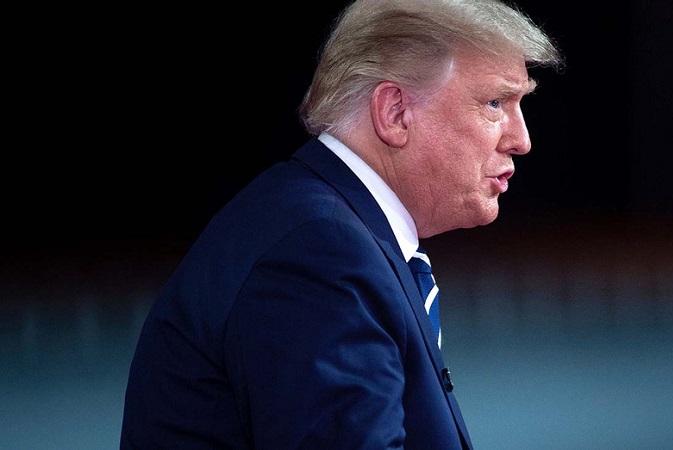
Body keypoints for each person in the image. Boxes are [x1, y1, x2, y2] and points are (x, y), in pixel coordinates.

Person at [120, 0, 562, 448]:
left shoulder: (318, 223)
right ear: (394, 112)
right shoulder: (320, 254)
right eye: (494, 102)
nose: (521, 139)